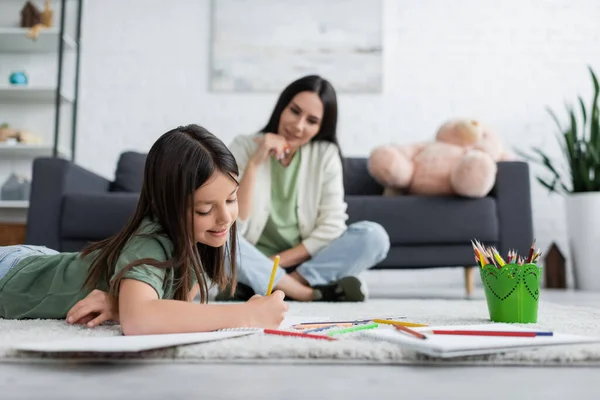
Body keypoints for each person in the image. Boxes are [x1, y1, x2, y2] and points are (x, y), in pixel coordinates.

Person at [0, 124, 288, 334]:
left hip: (40, 262)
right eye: (204, 209)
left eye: (231, 199)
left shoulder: (200, 241)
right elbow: (140, 321)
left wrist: (120, 305)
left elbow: (176, 309)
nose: (226, 217)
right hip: (13, 276)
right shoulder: (151, 240)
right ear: (168, 205)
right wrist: (247, 314)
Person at [221, 75, 390, 303]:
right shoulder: (243, 145)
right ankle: (305, 293)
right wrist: (254, 164)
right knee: (217, 239)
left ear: (321, 127)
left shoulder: (325, 155)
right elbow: (233, 222)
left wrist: (269, 267)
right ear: (282, 107)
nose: (298, 126)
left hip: (301, 265)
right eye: (294, 111)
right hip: (248, 255)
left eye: (311, 121)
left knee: (374, 237)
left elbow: (331, 227)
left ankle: (266, 286)